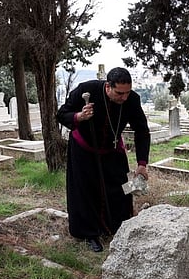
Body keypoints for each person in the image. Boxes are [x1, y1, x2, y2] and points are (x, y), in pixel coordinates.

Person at [57, 67, 150, 252]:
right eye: (119, 93)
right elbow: (61, 114)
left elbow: (141, 130)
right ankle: (90, 233)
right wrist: (79, 116)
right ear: (108, 86)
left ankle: (118, 225)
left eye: (127, 92)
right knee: (86, 191)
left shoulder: (132, 100)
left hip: (112, 148)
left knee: (121, 189)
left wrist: (142, 164)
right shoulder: (87, 90)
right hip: (84, 149)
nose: (124, 97)